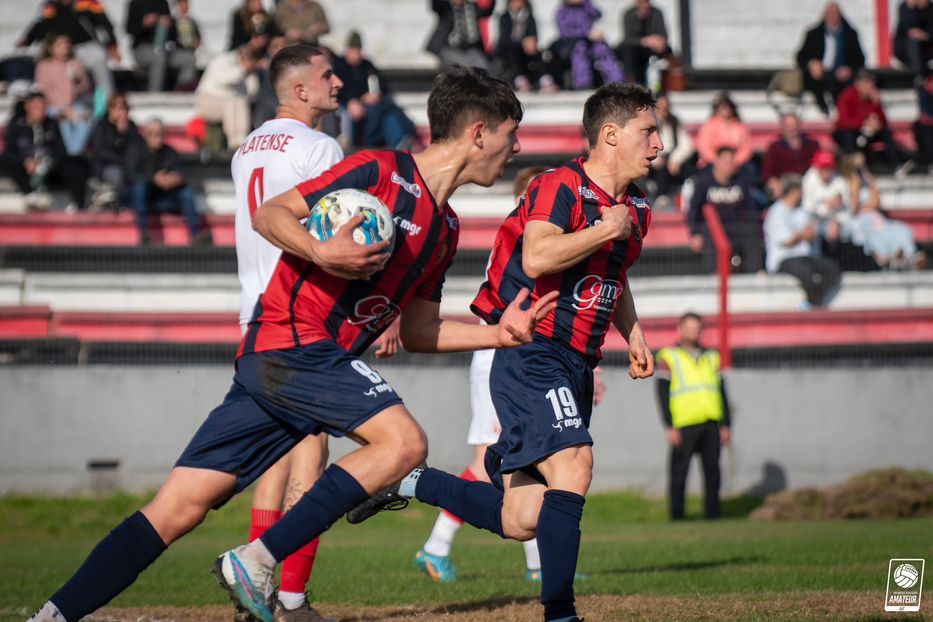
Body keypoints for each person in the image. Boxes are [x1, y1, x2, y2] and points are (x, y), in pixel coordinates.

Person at [26, 64, 556, 622]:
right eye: (510, 134)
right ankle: (256, 561)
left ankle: (51, 616)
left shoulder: (445, 230)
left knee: (178, 508)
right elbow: (270, 212)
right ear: (479, 133)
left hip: (296, 365)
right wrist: (323, 251)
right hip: (292, 343)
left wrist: (497, 334)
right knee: (403, 444)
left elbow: (420, 330)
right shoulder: (376, 170)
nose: (516, 148)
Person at [348, 83, 659, 622]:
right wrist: (605, 228)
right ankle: (560, 613)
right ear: (610, 135)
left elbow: (615, 273)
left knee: (522, 517)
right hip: (531, 352)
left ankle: (408, 479)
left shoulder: (634, 208)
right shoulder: (558, 186)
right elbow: (538, 257)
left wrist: (632, 334)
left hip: (577, 362)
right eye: (648, 131)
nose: (659, 144)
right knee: (576, 464)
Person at [415, 165, 551, 584]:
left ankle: (537, 565)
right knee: (489, 462)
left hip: (516, 357)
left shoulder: (533, 234)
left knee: (527, 460)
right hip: (500, 358)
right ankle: (434, 544)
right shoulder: (526, 237)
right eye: (540, 192)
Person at [655, 312, 731, 521]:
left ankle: (713, 516)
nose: (692, 332)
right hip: (684, 423)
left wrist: (726, 424)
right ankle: (677, 517)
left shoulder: (712, 356)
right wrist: (669, 425)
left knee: (713, 473)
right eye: (688, 328)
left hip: (711, 421)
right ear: (680, 329)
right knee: (679, 474)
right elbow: (661, 393)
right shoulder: (668, 356)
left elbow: (722, 392)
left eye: (696, 328)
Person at [1, 89, 88, 212]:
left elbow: (60, 151)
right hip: (24, 170)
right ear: (27, 106)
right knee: (5, 161)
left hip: (49, 170)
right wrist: (25, 161)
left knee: (76, 162)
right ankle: (30, 195)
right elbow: (8, 152)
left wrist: (46, 163)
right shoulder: (16, 125)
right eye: (36, 106)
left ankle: (79, 204)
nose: (40, 110)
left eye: (43, 107)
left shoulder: (52, 124)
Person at [16, 0, 121, 102]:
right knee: (38, 60)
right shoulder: (49, 5)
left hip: (84, 46)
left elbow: (104, 23)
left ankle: (109, 101)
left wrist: (112, 45)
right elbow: (39, 25)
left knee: (99, 57)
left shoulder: (88, 2)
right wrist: (28, 39)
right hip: (56, 48)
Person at [763, 173, 841, 309]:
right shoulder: (776, 212)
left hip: (805, 257)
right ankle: (814, 305)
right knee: (807, 274)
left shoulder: (802, 211)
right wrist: (803, 235)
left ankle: (813, 304)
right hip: (784, 259)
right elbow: (788, 242)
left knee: (832, 269)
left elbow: (813, 230)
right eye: (801, 190)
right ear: (794, 191)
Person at [839, 153, 927, 270]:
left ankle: (906, 257)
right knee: (872, 237)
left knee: (900, 229)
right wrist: (856, 187)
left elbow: (875, 202)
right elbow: (853, 209)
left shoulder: (867, 181)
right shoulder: (843, 183)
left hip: (874, 217)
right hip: (857, 222)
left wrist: (869, 181)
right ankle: (888, 259)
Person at [333, 31, 418, 150]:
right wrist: (352, 101)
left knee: (389, 114)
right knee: (385, 111)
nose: (356, 54)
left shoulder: (367, 65)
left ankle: (400, 142)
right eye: (353, 50)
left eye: (358, 50)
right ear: (347, 50)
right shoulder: (339, 66)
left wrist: (375, 95)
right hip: (351, 106)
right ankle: (401, 137)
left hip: (374, 106)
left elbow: (381, 85)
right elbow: (338, 89)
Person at [128, 119, 207, 245]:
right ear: (145, 135)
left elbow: (179, 172)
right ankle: (143, 233)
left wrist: (174, 179)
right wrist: (154, 178)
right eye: (152, 133)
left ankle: (196, 235)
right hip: (140, 201)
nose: (156, 137)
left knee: (185, 192)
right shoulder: (135, 150)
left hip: (163, 199)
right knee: (139, 187)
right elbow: (130, 176)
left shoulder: (169, 152)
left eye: (159, 133)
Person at [688, 147, 763, 274]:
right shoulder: (704, 181)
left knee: (752, 234)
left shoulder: (741, 180)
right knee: (710, 238)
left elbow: (750, 208)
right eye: (726, 161)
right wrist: (695, 233)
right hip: (712, 227)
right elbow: (694, 209)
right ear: (717, 161)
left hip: (735, 225)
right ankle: (714, 274)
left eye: (732, 161)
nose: (729, 165)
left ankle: (756, 273)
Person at [801, 149, 878, 272]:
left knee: (862, 226)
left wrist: (838, 211)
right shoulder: (809, 180)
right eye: (823, 169)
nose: (827, 173)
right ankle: (817, 267)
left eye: (829, 169)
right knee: (815, 231)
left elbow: (848, 210)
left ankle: (867, 262)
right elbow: (808, 209)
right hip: (816, 220)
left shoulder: (839, 181)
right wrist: (828, 207)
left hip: (838, 221)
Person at [833, 70, 912, 177]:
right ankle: (856, 166)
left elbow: (883, 121)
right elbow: (843, 121)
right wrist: (864, 123)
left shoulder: (872, 98)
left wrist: (877, 105)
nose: (869, 86)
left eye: (870, 83)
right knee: (847, 133)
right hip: (849, 133)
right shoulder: (847, 95)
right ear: (857, 84)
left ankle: (897, 165)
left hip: (867, 132)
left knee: (885, 132)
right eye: (865, 83)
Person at [795, 2, 865, 116]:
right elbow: (800, 57)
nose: (832, 17)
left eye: (835, 14)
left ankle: (842, 110)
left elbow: (860, 59)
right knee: (818, 79)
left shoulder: (850, 34)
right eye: (830, 14)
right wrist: (811, 64)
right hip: (820, 75)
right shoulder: (813, 34)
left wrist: (849, 69)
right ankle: (825, 107)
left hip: (842, 75)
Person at [33, 33, 94, 156]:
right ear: (51, 47)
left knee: (85, 118)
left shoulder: (75, 64)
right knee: (63, 120)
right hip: (52, 107)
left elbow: (86, 89)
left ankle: (74, 153)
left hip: (75, 106)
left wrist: (77, 80)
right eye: (60, 44)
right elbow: (44, 91)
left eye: (67, 44)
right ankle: (71, 155)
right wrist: (63, 108)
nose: (65, 47)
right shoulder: (44, 66)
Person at [86, 92, 146, 212]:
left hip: (128, 166)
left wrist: (124, 133)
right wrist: (118, 136)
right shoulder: (101, 125)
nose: (120, 112)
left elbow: (138, 148)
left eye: (123, 108)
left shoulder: (131, 127)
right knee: (116, 173)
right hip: (105, 167)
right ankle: (114, 204)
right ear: (110, 109)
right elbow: (100, 151)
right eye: (116, 108)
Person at [195, 45, 260, 150]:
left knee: (239, 101)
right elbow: (222, 80)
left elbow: (252, 90)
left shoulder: (245, 68)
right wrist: (242, 69)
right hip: (207, 100)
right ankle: (234, 142)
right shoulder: (222, 60)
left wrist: (250, 72)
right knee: (233, 102)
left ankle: (241, 141)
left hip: (231, 104)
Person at [125, 0, 198, 91]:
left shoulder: (163, 3)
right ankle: (155, 96)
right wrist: (144, 23)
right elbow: (129, 29)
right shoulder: (136, 3)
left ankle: (181, 92)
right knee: (158, 57)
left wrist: (169, 24)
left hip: (164, 49)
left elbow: (172, 34)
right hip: (143, 49)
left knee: (189, 58)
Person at [553, 0, 625, 91]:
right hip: (572, 43)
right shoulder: (562, 11)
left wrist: (586, 2)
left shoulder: (585, 6)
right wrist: (586, 34)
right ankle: (583, 84)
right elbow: (565, 32)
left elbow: (598, 14)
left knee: (602, 48)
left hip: (590, 41)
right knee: (580, 49)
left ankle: (616, 81)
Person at [494, 0, 557, 93]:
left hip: (526, 49)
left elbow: (534, 35)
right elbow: (504, 40)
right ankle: (520, 80)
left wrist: (531, 43)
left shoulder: (529, 17)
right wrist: (522, 42)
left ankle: (545, 79)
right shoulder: (505, 17)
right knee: (513, 52)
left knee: (538, 52)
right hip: (508, 50)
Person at [646, 93, 693, 209]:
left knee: (690, 168)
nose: (664, 110)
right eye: (660, 106)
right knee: (662, 169)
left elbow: (686, 145)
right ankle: (661, 198)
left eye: (666, 106)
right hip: (656, 160)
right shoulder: (648, 123)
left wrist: (675, 159)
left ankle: (689, 196)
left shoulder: (674, 122)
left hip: (673, 159)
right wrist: (656, 158)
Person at [761, 113, 820, 200]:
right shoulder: (775, 148)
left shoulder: (812, 145)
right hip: (786, 189)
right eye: (788, 125)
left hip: (810, 187)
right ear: (782, 127)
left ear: (799, 125)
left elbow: (820, 167)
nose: (792, 128)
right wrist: (774, 184)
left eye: (794, 124)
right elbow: (767, 173)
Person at [427, 0, 494, 71]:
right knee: (459, 68)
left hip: (471, 49)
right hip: (450, 48)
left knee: (483, 66)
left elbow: (487, 10)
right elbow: (436, 4)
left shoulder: (472, 7)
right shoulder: (446, 7)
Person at [616, 0, 670, 88]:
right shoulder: (629, 14)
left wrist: (659, 42)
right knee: (627, 49)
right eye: (642, 2)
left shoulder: (657, 13)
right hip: (635, 49)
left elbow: (663, 35)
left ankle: (662, 84)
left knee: (666, 50)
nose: (645, 5)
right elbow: (628, 38)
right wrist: (645, 41)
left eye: (646, 2)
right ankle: (631, 81)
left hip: (653, 49)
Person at [694, 92, 753, 170]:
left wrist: (734, 161)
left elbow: (746, 148)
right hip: (712, 163)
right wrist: (719, 162)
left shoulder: (740, 127)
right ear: (717, 109)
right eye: (723, 107)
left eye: (728, 107)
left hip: (736, 163)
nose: (726, 110)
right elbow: (704, 149)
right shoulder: (708, 126)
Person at [893, 0, 933, 80]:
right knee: (914, 42)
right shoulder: (905, 8)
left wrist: (925, 35)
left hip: (927, 48)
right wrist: (910, 8)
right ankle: (919, 77)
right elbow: (906, 27)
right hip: (906, 50)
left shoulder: (931, 8)